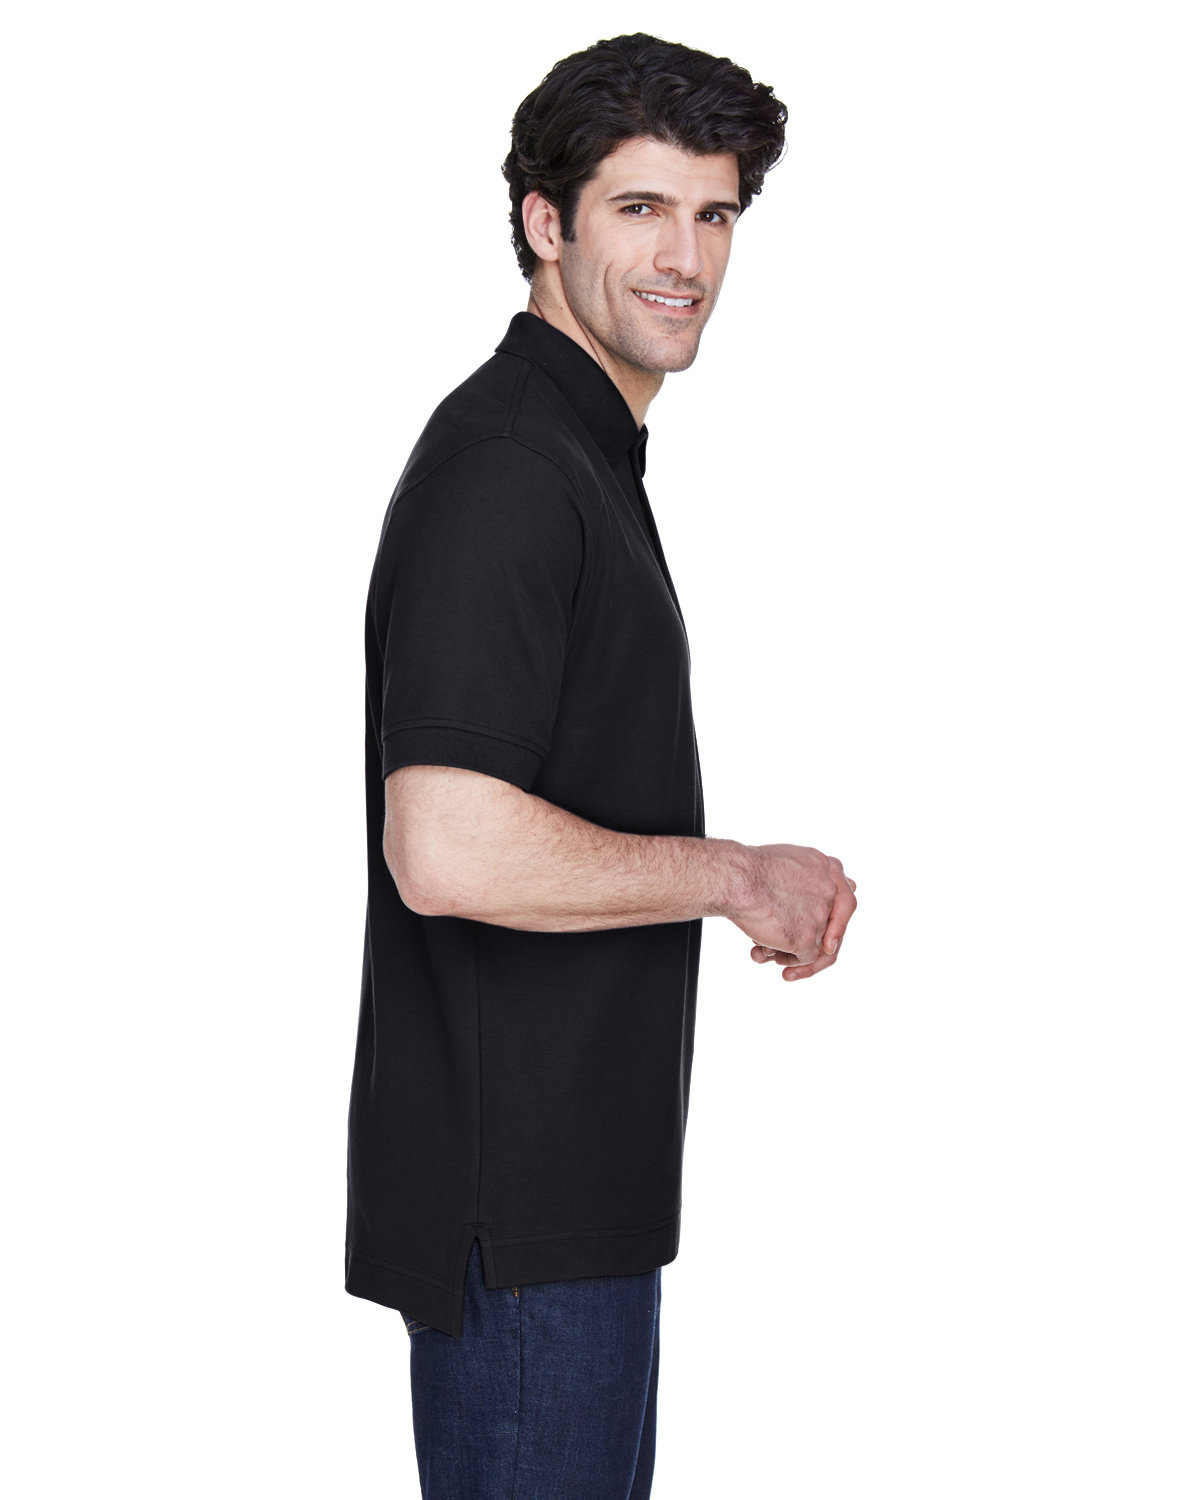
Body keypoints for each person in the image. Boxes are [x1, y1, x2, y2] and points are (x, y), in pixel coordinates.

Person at [346, 32, 857, 1498]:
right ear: (545, 223)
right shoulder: (511, 469)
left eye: (714, 213)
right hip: (525, 1237)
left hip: (569, 1218)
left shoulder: (579, 458)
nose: (685, 257)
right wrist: (735, 875)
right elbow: (443, 846)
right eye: (640, 208)